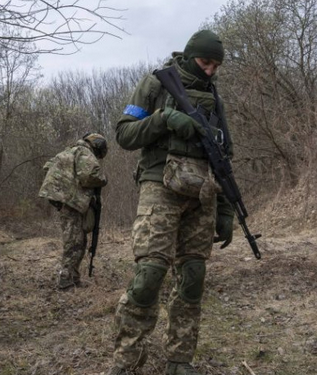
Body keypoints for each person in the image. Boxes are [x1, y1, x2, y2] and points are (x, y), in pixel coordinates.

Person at [109, 30, 235, 375]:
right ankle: (126, 359)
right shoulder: (156, 83)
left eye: (216, 66)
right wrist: (163, 120)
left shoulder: (214, 96)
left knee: (193, 274)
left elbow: (224, 155)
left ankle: (179, 360)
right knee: (149, 274)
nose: (210, 71)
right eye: (205, 62)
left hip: (203, 193)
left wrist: (226, 210)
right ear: (190, 56)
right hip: (159, 186)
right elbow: (124, 134)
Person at [38, 133, 108, 289]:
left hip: (66, 201)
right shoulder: (84, 152)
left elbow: (47, 167)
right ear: (97, 144)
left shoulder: (69, 151)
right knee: (75, 242)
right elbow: (89, 176)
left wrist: (61, 188)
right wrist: (104, 179)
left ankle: (73, 278)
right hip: (72, 202)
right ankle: (66, 280)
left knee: (78, 240)